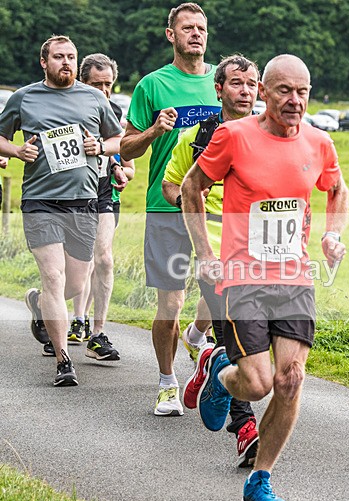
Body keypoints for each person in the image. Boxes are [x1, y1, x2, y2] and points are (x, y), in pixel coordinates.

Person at [182, 54, 349, 501]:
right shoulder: (234, 136)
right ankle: (220, 372)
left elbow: (337, 190)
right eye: (284, 91)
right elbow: (193, 187)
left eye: (303, 92)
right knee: (256, 385)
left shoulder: (319, 143)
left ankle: (261, 479)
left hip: (294, 277)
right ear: (263, 92)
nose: (295, 101)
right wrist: (205, 254)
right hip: (242, 278)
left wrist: (333, 234)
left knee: (290, 380)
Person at [0, 35, 123, 385]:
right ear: (44, 62)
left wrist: (99, 145)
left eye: (71, 57)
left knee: (75, 282)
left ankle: (39, 303)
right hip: (40, 200)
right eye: (58, 57)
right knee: (53, 277)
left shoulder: (93, 98)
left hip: (82, 201)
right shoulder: (24, 98)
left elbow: (118, 139)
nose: (66, 62)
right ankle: (63, 360)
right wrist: (16, 151)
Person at [120, 2, 220, 416]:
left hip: (218, 207)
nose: (196, 34)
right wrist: (152, 130)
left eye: (201, 28)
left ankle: (197, 336)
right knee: (170, 304)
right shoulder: (152, 85)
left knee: (222, 292)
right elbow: (126, 147)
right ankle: (166, 382)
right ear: (171, 35)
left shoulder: (223, 81)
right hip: (167, 206)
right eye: (187, 28)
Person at [162, 54, 261, 467]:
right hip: (215, 247)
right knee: (235, 338)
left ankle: (207, 363)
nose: (245, 90)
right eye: (236, 83)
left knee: (257, 342)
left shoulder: (267, 135)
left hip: (258, 247)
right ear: (218, 89)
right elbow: (172, 187)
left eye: (252, 84)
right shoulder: (197, 136)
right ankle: (245, 427)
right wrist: (194, 207)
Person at [66, 53, 135, 361]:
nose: (104, 91)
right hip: (67, 195)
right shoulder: (65, 107)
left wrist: (119, 168)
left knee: (104, 259)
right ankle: (49, 309)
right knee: (75, 272)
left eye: (108, 84)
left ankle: (97, 334)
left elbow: (123, 151)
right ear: (82, 81)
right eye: (97, 84)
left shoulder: (114, 110)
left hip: (104, 194)